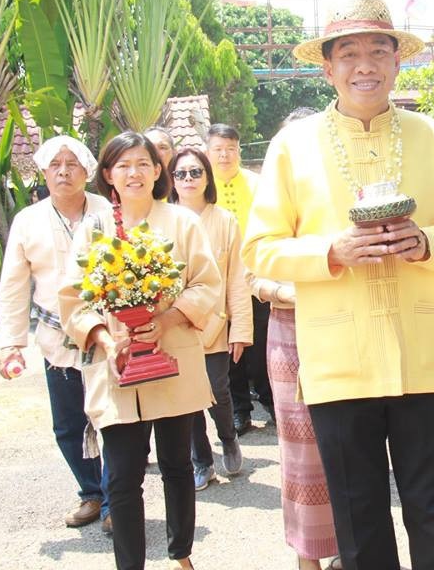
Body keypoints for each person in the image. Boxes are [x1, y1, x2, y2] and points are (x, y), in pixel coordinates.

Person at [243, 0, 434, 570]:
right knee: (358, 514)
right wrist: (332, 250)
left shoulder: (431, 137)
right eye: (349, 52)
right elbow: (259, 247)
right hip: (338, 362)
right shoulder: (292, 147)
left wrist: (425, 242)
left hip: (425, 358)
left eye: (379, 49)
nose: (365, 64)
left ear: (398, 62)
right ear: (327, 68)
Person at [59, 131, 220, 570]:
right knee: (124, 475)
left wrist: (165, 320)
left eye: (143, 163)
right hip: (117, 368)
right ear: (108, 174)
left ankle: (180, 554)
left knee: (176, 465)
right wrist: (107, 340)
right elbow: (73, 299)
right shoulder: (93, 229)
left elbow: (208, 284)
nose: (134, 173)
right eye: (123, 165)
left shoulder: (182, 222)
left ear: (157, 171)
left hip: (174, 360)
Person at [0, 136, 113, 532]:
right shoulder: (28, 220)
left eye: (72, 164)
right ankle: (92, 493)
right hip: (54, 336)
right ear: (44, 172)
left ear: (87, 171)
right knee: (67, 424)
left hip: (105, 334)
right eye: (55, 165)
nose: (64, 171)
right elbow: (13, 285)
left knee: (111, 418)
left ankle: (118, 498)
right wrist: (11, 343)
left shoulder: (107, 211)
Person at [255, 107, 341, 570]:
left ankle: (350, 547)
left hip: (345, 330)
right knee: (300, 448)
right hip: (289, 335)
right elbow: (256, 277)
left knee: (349, 443)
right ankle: (307, 555)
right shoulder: (270, 203)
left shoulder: (341, 192)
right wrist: (294, 288)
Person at [168, 148, 252, 491]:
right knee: (186, 398)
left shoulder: (225, 221)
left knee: (217, 390)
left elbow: (237, 279)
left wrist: (241, 329)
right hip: (174, 326)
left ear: (207, 177)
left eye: (195, 172)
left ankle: (228, 438)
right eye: (181, 174)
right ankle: (201, 461)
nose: (188, 179)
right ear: (171, 180)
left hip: (215, 325)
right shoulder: (162, 220)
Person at [205, 123, 274, 435]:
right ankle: (240, 412)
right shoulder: (203, 186)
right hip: (218, 283)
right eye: (218, 149)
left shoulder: (257, 183)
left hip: (255, 276)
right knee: (229, 351)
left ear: (239, 150)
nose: (224, 155)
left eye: (230, 149)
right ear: (208, 152)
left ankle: (271, 402)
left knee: (260, 344)